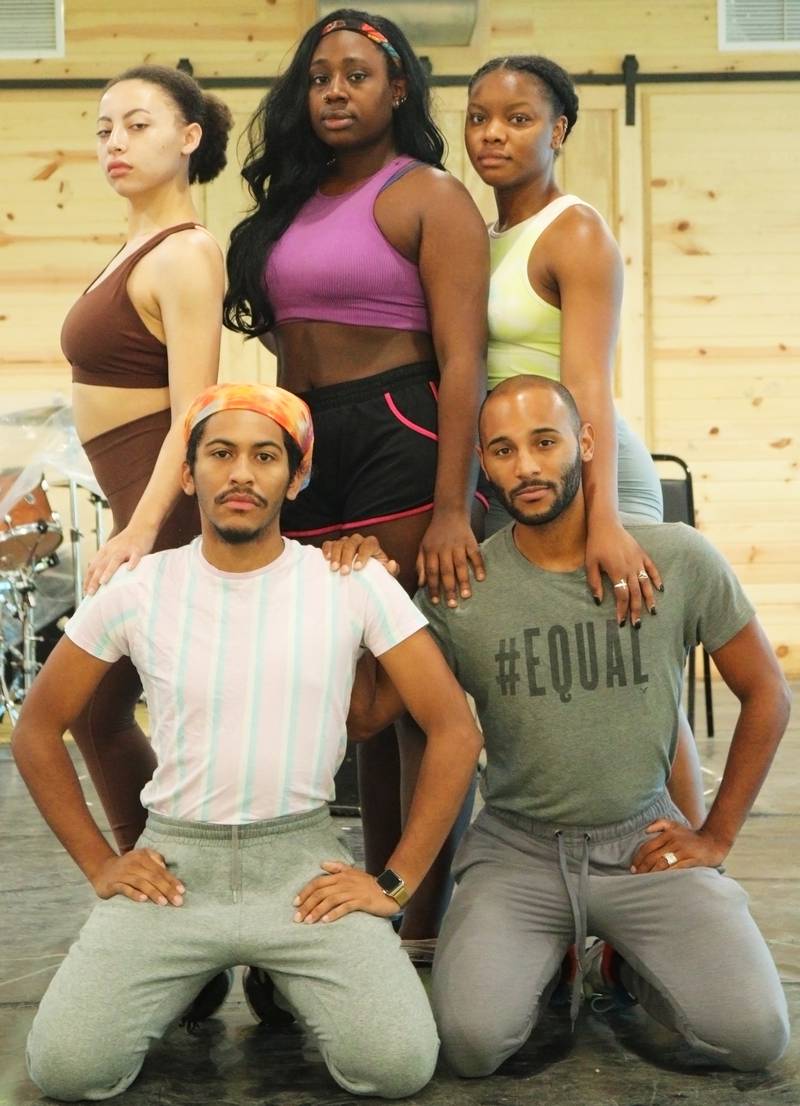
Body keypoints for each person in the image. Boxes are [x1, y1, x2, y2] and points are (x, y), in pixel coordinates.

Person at [12, 383, 483, 1102]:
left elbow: (455, 729)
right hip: (176, 868)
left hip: (298, 868)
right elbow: (39, 728)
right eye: (221, 453)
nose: (241, 473)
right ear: (188, 472)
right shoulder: (141, 587)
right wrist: (103, 866)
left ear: (294, 478)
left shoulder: (348, 582)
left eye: (265, 456)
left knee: (396, 1066)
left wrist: (394, 882)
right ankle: (198, 969)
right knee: (67, 1070)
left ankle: (280, 974)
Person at [349, 375, 791, 1076]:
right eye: (501, 450)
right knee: (469, 1043)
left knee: (756, 1036)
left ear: (585, 445)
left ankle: (616, 966)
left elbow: (767, 691)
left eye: (544, 442)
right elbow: (369, 714)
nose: (525, 466)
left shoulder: (674, 557)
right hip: (517, 851)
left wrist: (717, 834)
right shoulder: (460, 590)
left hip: (642, 842)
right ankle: (548, 956)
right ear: (483, 468)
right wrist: (362, 592)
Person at [224, 8, 490, 943]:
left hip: (400, 428)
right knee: (353, 692)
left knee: (409, 683)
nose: (335, 91)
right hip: (310, 444)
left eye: (357, 76)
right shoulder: (291, 202)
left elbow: (465, 362)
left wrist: (454, 508)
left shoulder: (430, 196)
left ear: (399, 89)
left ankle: (422, 919)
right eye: (319, 77)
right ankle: (381, 900)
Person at [464, 53, 704, 825]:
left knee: (636, 670)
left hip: (593, 470)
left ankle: (687, 861)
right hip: (521, 471)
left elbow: (588, 386)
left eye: (518, 118)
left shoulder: (575, 232)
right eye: (478, 117)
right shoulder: (485, 234)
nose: (493, 133)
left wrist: (603, 518)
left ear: (558, 129)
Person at [61, 65, 233, 855]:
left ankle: (159, 877)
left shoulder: (186, 254)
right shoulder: (136, 242)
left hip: (162, 512)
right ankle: (158, 878)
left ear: (189, 138)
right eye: (103, 130)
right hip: (139, 504)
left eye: (136, 125)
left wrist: (142, 529)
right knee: (98, 712)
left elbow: (195, 410)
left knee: (97, 708)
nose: (114, 144)